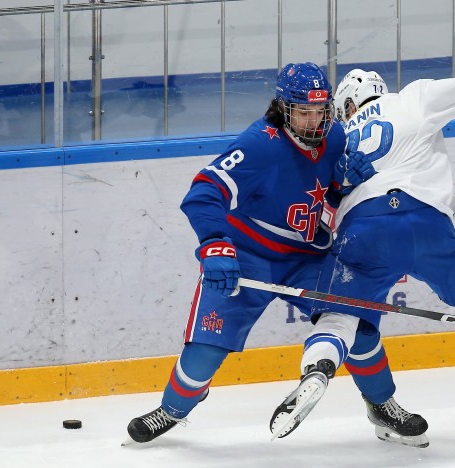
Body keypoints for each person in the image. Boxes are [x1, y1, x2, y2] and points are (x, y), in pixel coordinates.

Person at [270, 20, 455, 457]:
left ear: (343, 108)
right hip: (426, 224)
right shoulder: (413, 97)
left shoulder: (336, 143)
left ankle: (317, 371)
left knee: (339, 320)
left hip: (362, 232)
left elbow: (341, 208)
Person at [126, 62, 421, 445]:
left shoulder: (335, 138)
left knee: (359, 328)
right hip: (247, 257)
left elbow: (330, 196)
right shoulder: (258, 146)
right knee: (204, 353)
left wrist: (350, 184)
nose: (314, 121)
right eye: (304, 111)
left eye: (321, 110)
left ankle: (382, 405)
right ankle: (172, 409)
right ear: (283, 108)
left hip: (306, 258)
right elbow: (202, 193)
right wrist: (216, 245)